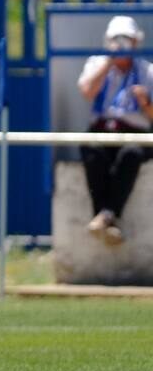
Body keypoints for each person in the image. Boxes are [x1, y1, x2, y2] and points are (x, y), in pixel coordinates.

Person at [76, 14, 153, 245]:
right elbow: (86, 91)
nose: (121, 45)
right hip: (102, 130)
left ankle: (105, 215)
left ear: (136, 43)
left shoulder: (147, 71)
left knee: (131, 154)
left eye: (126, 40)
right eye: (116, 40)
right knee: (91, 151)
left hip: (134, 132)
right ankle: (109, 217)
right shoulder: (97, 63)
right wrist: (108, 62)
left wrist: (146, 103)